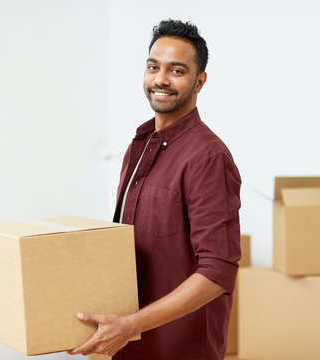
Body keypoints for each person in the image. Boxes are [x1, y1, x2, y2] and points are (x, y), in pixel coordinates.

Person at [69, 19, 242, 360]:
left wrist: (131, 325)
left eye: (177, 70)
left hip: (181, 349)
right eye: (153, 67)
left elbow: (217, 271)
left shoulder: (209, 156)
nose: (160, 79)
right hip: (126, 345)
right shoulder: (139, 146)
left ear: (199, 81)